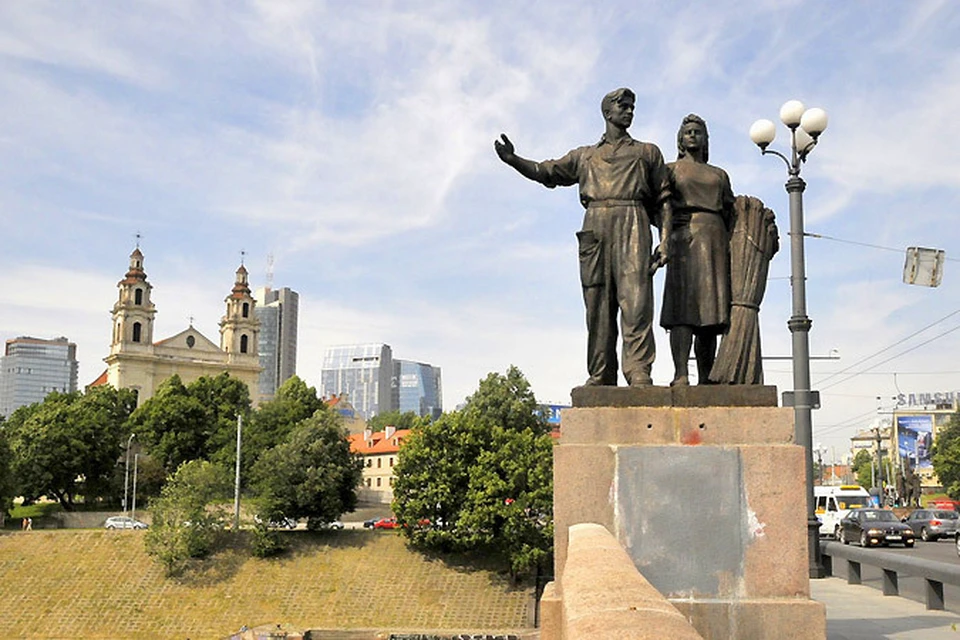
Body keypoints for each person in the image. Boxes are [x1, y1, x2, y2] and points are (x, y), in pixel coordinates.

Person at [495, 88, 672, 386]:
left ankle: (638, 368)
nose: (629, 111)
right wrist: (514, 159)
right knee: (598, 305)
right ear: (607, 113)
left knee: (637, 301)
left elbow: (664, 199)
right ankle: (601, 371)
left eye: (632, 107)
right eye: (623, 106)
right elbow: (545, 171)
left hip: (634, 221)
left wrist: (664, 239)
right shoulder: (585, 156)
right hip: (595, 225)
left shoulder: (647, 152)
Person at [660, 114, 735, 386]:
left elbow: (731, 210)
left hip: (715, 240)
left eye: (697, 132)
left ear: (705, 140)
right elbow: (659, 207)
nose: (692, 135)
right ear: (680, 139)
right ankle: (681, 373)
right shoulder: (669, 169)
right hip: (683, 238)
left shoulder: (719, 175)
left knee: (709, 315)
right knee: (682, 311)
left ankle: (707, 375)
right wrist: (665, 237)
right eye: (688, 132)